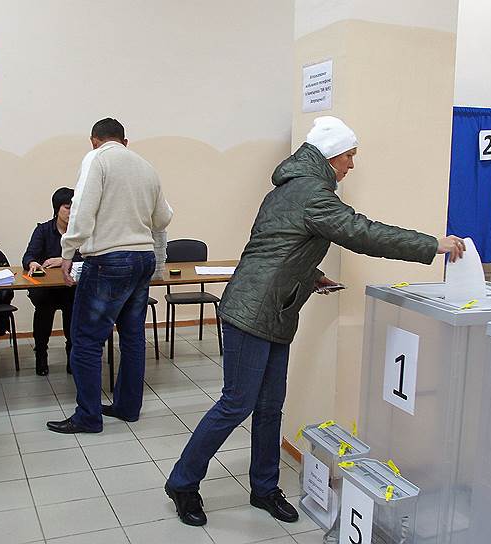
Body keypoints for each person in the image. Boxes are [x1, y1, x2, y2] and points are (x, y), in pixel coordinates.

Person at [164, 116, 466, 526]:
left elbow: (278, 246)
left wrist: (309, 275)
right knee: (237, 404)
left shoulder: (289, 191)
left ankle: (265, 488)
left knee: (270, 408)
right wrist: (432, 245)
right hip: (251, 312)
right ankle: (183, 482)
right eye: (350, 157)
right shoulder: (311, 194)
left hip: (275, 309)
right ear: (332, 156)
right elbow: (363, 233)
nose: (352, 166)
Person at [46, 118, 173, 434]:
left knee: (86, 341)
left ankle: (88, 416)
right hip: (143, 258)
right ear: (125, 141)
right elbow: (164, 218)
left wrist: (67, 253)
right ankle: (128, 407)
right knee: (132, 337)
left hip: (109, 260)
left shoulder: (97, 159)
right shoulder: (146, 167)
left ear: (94, 140)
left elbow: (81, 210)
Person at [22, 187, 79, 376]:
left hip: (71, 286)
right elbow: (28, 256)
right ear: (57, 208)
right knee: (44, 309)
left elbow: (91, 256)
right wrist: (33, 263)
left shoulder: (80, 231)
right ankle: (41, 355)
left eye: (75, 207)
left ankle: (72, 355)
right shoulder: (43, 230)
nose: (72, 212)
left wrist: (65, 260)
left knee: (73, 311)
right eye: (67, 207)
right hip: (47, 290)